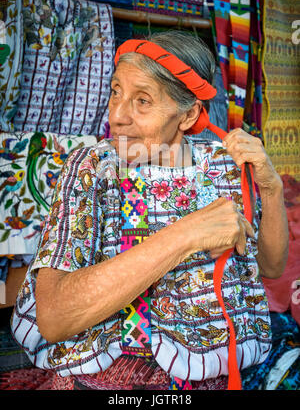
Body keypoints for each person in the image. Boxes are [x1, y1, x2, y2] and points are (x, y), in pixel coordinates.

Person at [11, 31, 289, 391]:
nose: (118, 116)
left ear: (188, 115)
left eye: (142, 101)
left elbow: (268, 267)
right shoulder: (93, 168)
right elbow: (53, 317)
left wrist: (271, 187)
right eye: (115, 92)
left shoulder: (221, 166)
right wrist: (187, 234)